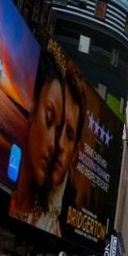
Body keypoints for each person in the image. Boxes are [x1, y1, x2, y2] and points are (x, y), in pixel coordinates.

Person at [9, 51, 65, 226]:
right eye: (48, 119)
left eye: (57, 131)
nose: (52, 145)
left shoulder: (49, 224)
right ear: (32, 107)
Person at [41, 56, 86, 234]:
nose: (59, 143)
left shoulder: (72, 216)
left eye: (69, 134)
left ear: (75, 150)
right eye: (55, 124)